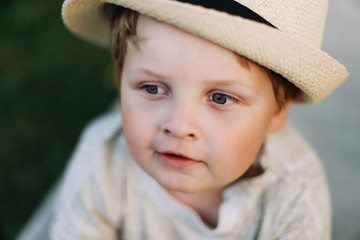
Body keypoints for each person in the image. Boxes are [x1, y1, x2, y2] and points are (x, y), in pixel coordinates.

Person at [19, 0, 349, 239]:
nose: (178, 126)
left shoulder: (294, 197)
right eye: (152, 88)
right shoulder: (104, 159)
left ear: (278, 111)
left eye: (220, 98)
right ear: (120, 79)